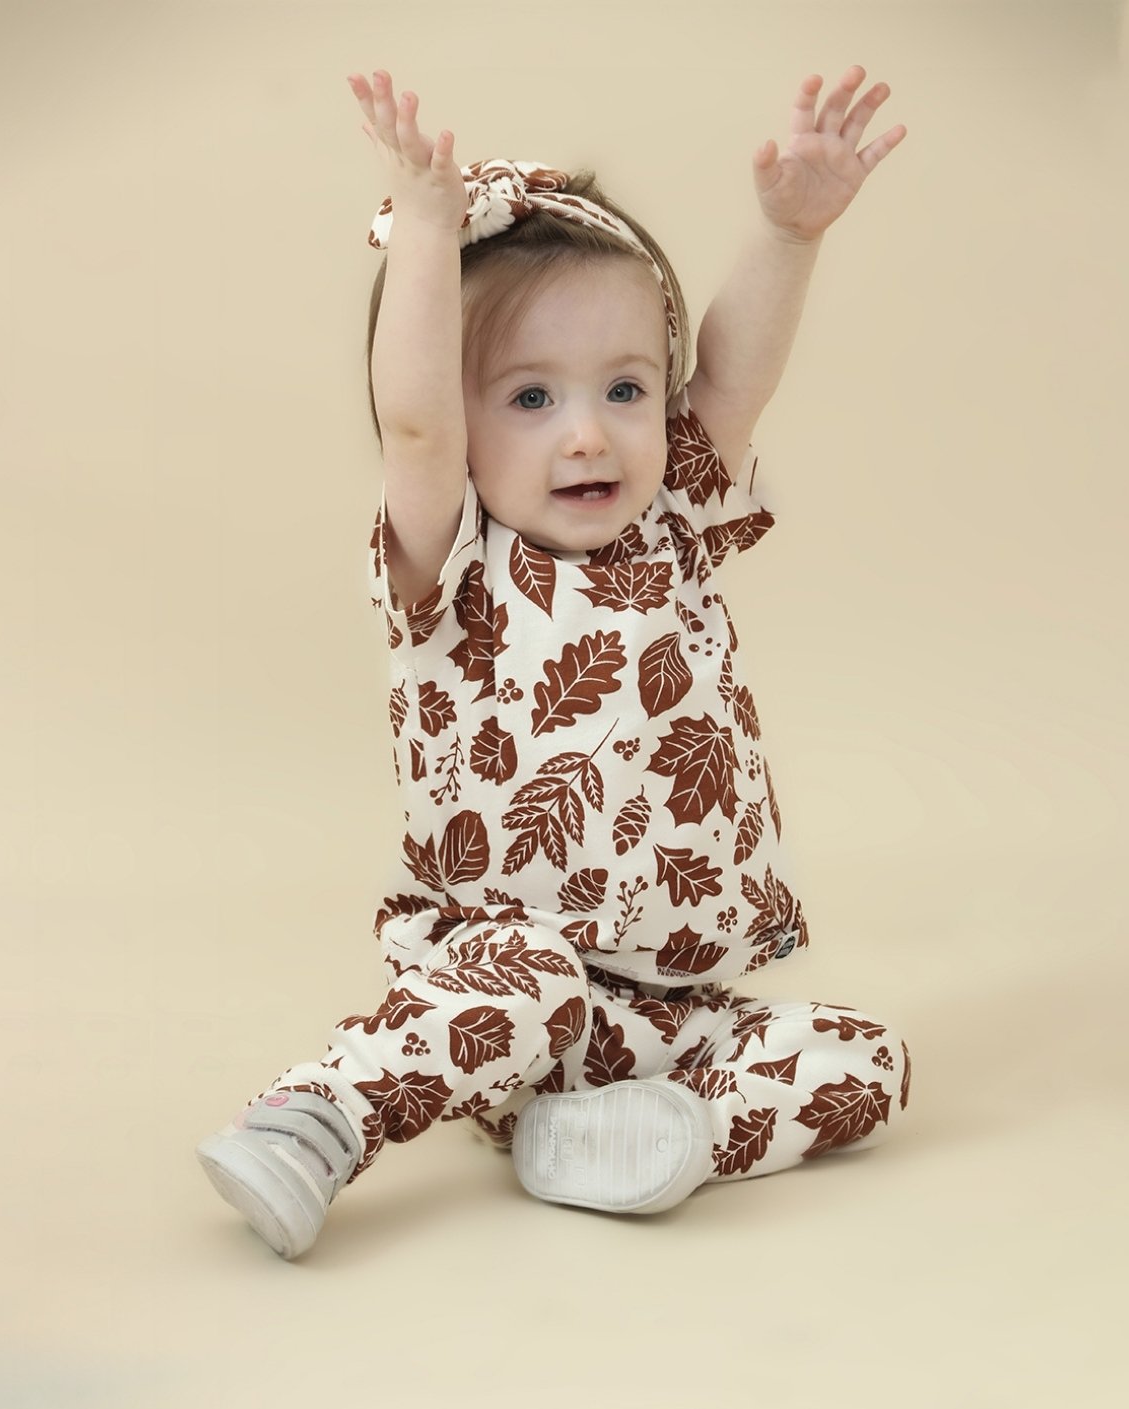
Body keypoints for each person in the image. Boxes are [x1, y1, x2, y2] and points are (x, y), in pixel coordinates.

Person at [197, 65, 911, 1259]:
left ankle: (644, 1134)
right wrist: (428, 234)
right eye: (530, 397)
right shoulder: (454, 559)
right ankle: (317, 1118)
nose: (589, 432)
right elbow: (414, 420)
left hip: (666, 1011)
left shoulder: (674, 523)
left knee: (866, 1058)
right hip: (499, 978)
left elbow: (732, 378)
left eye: (626, 388)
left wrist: (790, 235)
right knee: (522, 981)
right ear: (464, 425)